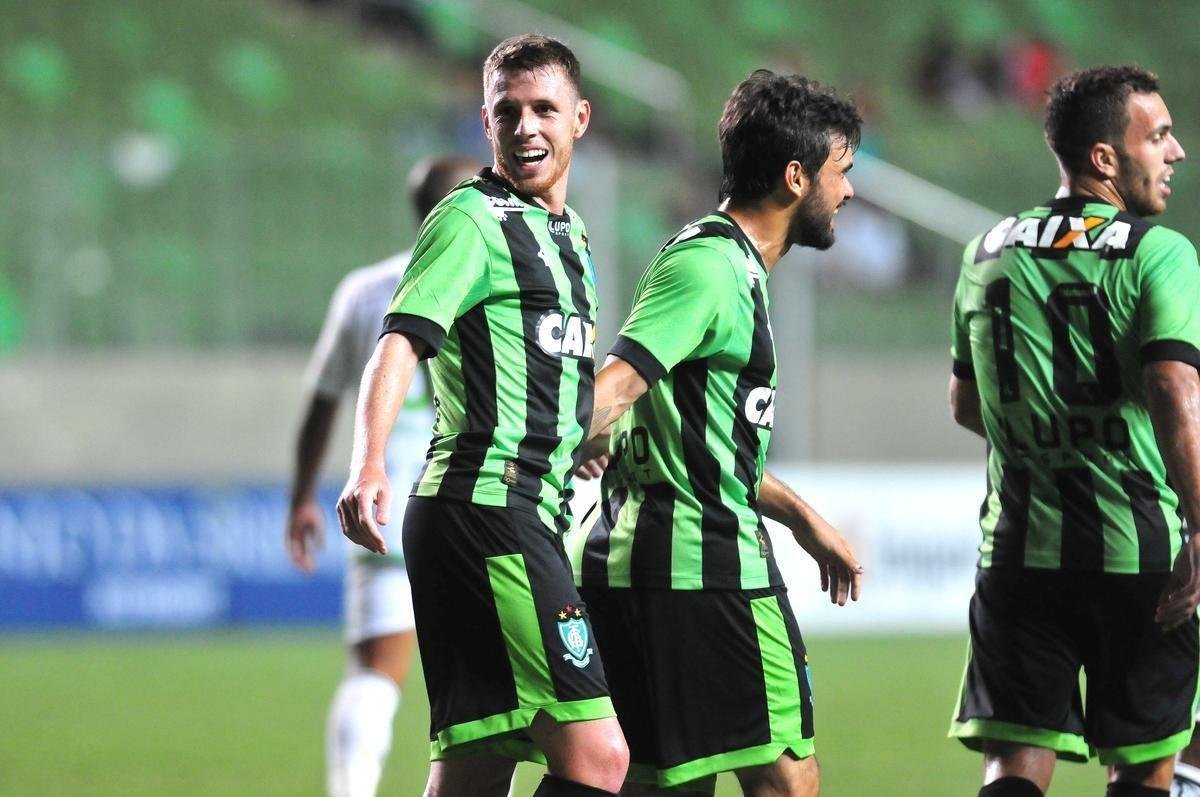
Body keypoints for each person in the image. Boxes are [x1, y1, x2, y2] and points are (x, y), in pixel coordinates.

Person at [336, 34, 628, 797]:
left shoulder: (572, 235)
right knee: (600, 759)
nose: (527, 126)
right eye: (509, 111)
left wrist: (574, 436)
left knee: (475, 769)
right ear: (486, 121)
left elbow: (544, 365)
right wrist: (368, 460)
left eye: (544, 109)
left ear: (580, 119)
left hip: (506, 512)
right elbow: (398, 343)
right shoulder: (471, 219)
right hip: (487, 511)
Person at [569, 70, 865, 796]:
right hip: (705, 570)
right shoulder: (710, 267)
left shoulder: (717, 263)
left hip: (630, 567)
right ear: (796, 177)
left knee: (663, 781)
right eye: (843, 172)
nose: (849, 192)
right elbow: (607, 391)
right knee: (788, 778)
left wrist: (801, 515)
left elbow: (702, 448)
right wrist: (555, 445)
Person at [947, 65, 1200, 797]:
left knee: (1016, 761)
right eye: (1157, 136)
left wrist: (1045, 429)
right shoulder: (1160, 252)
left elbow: (966, 405)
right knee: (1146, 763)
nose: (1175, 151)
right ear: (1104, 158)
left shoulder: (985, 252)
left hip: (1021, 551)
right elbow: (1172, 390)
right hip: (1139, 553)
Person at [285, 154, 481, 797]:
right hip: (484, 502)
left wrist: (301, 498)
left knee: (375, 670)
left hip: (385, 502)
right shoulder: (501, 275)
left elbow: (323, 402)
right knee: (495, 690)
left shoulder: (367, 289)